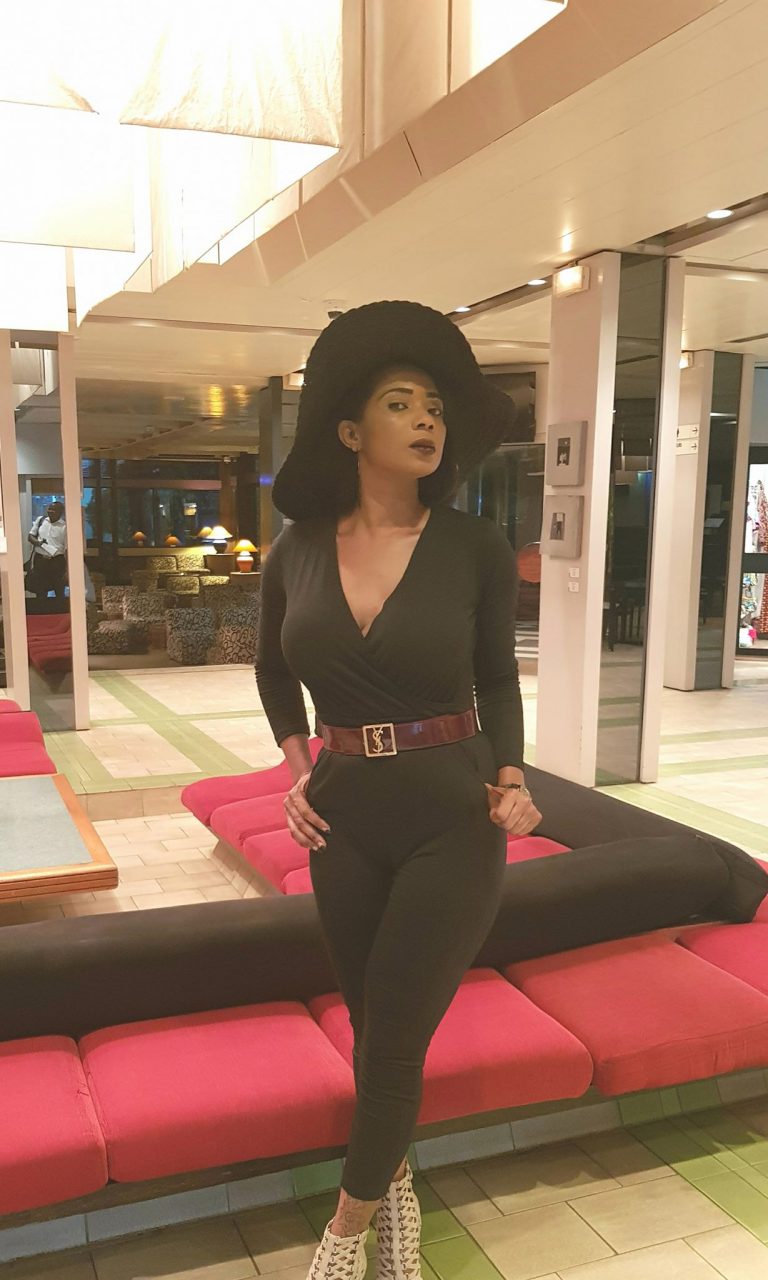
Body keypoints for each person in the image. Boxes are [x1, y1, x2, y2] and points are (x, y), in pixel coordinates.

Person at [255, 301, 541, 1280]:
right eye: (401, 402)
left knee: (395, 1035)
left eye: (436, 407)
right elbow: (272, 671)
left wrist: (512, 775)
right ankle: (399, 1199)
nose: (427, 419)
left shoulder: (474, 546)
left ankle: (343, 1235)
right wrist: (297, 767)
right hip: (341, 818)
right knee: (375, 1029)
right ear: (349, 431)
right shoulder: (295, 549)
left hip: (450, 814)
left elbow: (496, 676)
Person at [28, 501, 68, 604]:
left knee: (59, 588)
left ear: (60, 512)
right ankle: (41, 610)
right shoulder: (41, 520)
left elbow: (67, 549)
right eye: (49, 509)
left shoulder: (64, 527)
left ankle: (59, 610)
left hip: (56, 561)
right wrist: (38, 543)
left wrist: (67, 568)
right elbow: (30, 536)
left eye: (53, 510)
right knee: (40, 589)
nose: (50, 511)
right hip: (40, 560)